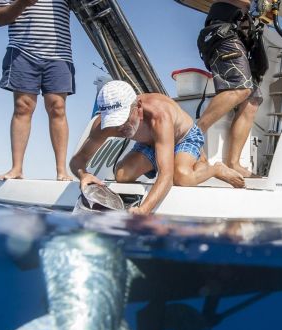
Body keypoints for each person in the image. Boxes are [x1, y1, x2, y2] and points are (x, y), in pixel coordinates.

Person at [70, 81, 245, 215]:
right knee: (122, 175)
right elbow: (77, 161)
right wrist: (83, 174)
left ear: (138, 107)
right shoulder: (105, 126)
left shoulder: (159, 115)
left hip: (183, 137)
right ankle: (170, 158)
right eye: (114, 121)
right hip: (151, 143)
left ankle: (214, 169)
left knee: (181, 177)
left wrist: (143, 210)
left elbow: (166, 176)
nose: (120, 127)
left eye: (124, 119)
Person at [0, 0, 75, 181]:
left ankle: (62, 171)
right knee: (23, 106)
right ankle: (16, 169)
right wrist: (22, 3)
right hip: (23, 51)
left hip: (59, 53)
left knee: (58, 107)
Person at [196, 0, 265, 178]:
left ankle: (233, 163)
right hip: (223, 33)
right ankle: (189, 136)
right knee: (241, 88)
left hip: (237, 37)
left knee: (252, 101)